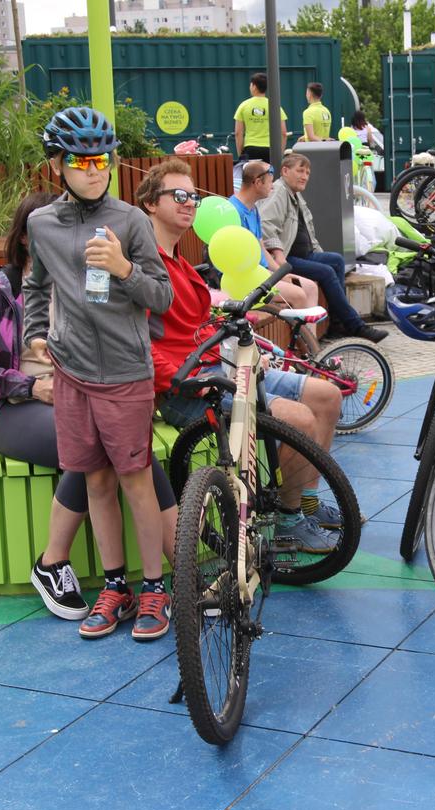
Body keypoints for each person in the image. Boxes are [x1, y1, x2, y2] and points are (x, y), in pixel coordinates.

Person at [0, 191, 179, 623]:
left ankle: (165, 575)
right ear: (30, 238)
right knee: (97, 450)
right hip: (12, 407)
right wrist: (29, 385)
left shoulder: (92, 274)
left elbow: (151, 309)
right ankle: (54, 561)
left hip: (87, 388)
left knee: (125, 452)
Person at [138, 159, 344, 552]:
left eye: (194, 197)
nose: (189, 203)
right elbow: (140, 345)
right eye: (178, 195)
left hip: (220, 367)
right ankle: (287, 522)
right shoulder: (147, 269)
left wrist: (243, 349)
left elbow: (203, 327)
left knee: (328, 396)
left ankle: (306, 501)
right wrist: (189, 381)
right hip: (188, 388)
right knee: (300, 420)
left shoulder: (184, 264)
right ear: (150, 203)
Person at [24, 107, 174, 641]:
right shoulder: (41, 224)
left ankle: (156, 587)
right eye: (81, 160)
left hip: (124, 374)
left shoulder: (131, 221)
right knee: (95, 481)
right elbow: (36, 288)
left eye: (102, 159)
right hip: (71, 374)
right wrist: (34, 333)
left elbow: (162, 295)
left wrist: (123, 268)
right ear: (58, 165)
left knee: (136, 481)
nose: (94, 169)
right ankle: (116, 587)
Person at [261, 153, 388, 343]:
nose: (305, 176)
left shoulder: (294, 193)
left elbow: (309, 233)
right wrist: (279, 255)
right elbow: (266, 225)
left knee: (335, 260)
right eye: (300, 171)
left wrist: (318, 252)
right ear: (285, 171)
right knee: (326, 271)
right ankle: (355, 325)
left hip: (303, 255)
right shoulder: (279, 192)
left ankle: (337, 323)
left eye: (308, 173)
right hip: (286, 260)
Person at [228, 159, 320, 324]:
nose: (273, 186)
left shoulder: (253, 208)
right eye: (270, 182)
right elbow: (239, 260)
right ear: (257, 183)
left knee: (311, 287)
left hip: (264, 274)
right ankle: (301, 347)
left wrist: (280, 273)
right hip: (246, 278)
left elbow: (262, 248)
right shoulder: (233, 211)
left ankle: (311, 345)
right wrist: (274, 278)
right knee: (298, 294)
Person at [234, 72, 288, 163]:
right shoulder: (274, 105)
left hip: (250, 149)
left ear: (254, 86)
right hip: (270, 149)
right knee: (270, 176)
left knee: (251, 176)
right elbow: (283, 133)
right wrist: (279, 154)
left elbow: (238, 133)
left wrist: (241, 154)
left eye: (251, 85)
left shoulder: (243, 105)